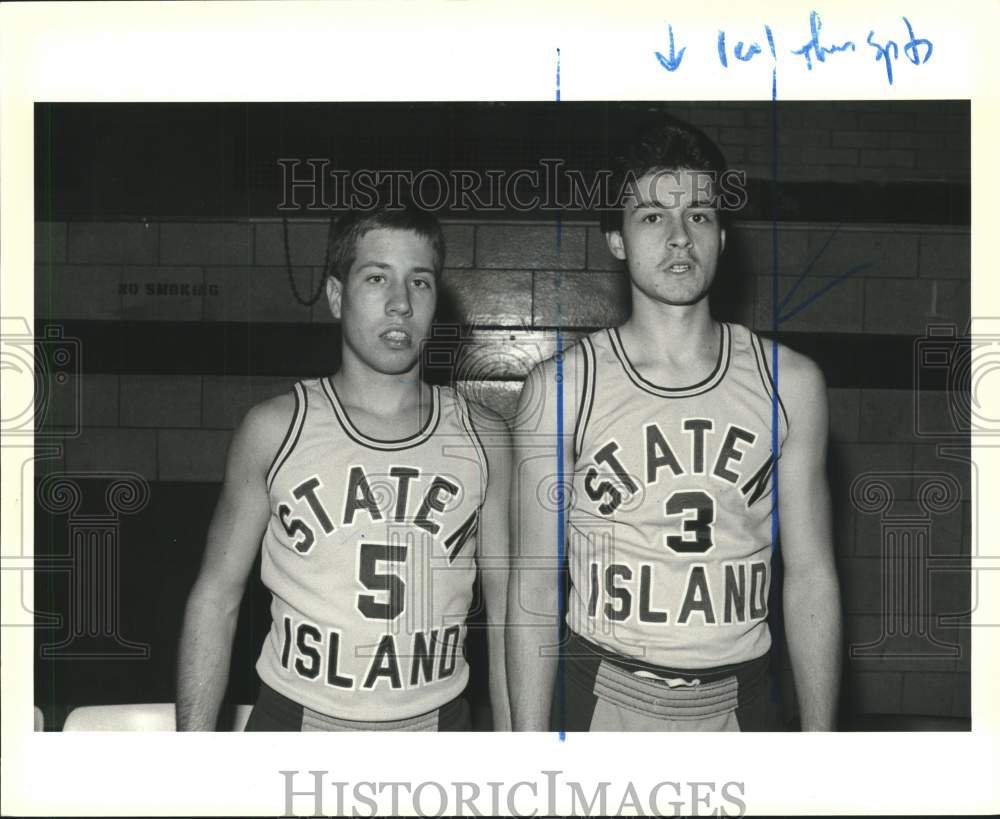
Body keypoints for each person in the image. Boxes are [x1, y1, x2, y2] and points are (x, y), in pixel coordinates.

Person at [508, 116, 842, 732]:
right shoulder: (559, 389)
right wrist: (530, 752)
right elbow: (533, 584)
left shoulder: (789, 384)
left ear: (722, 236)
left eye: (700, 214)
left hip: (743, 698)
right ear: (616, 238)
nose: (680, 236)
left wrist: (819, 745)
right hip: (603, 696)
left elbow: (813, 574)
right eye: (653, 216)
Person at [177, 204, 511, 731]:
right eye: (377, 277)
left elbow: (512, 616)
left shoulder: (485, 437)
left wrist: (523, 764)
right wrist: (190, 762)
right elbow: (216, 597)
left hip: (439, 727)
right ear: (337, 295)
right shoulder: (274, 429)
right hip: (296, 720)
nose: (400, 303)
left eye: (419, 282)